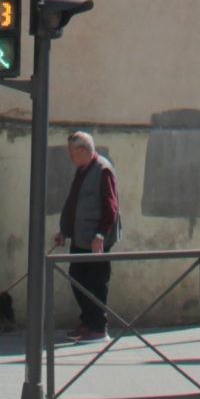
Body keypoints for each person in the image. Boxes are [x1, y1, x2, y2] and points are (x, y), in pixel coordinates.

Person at [52, 129, 120, 342]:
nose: (70, 158)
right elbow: (75, 204)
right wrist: (65, 231)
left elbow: (111, 207)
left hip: (96, 241)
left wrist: (100, 235)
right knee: (78, 280)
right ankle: (87, 322)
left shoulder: (103, 170)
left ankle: (99, 328)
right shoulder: (83, 169)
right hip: (81, 238)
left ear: (84, 150)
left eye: (73, 153)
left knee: (96, 283)